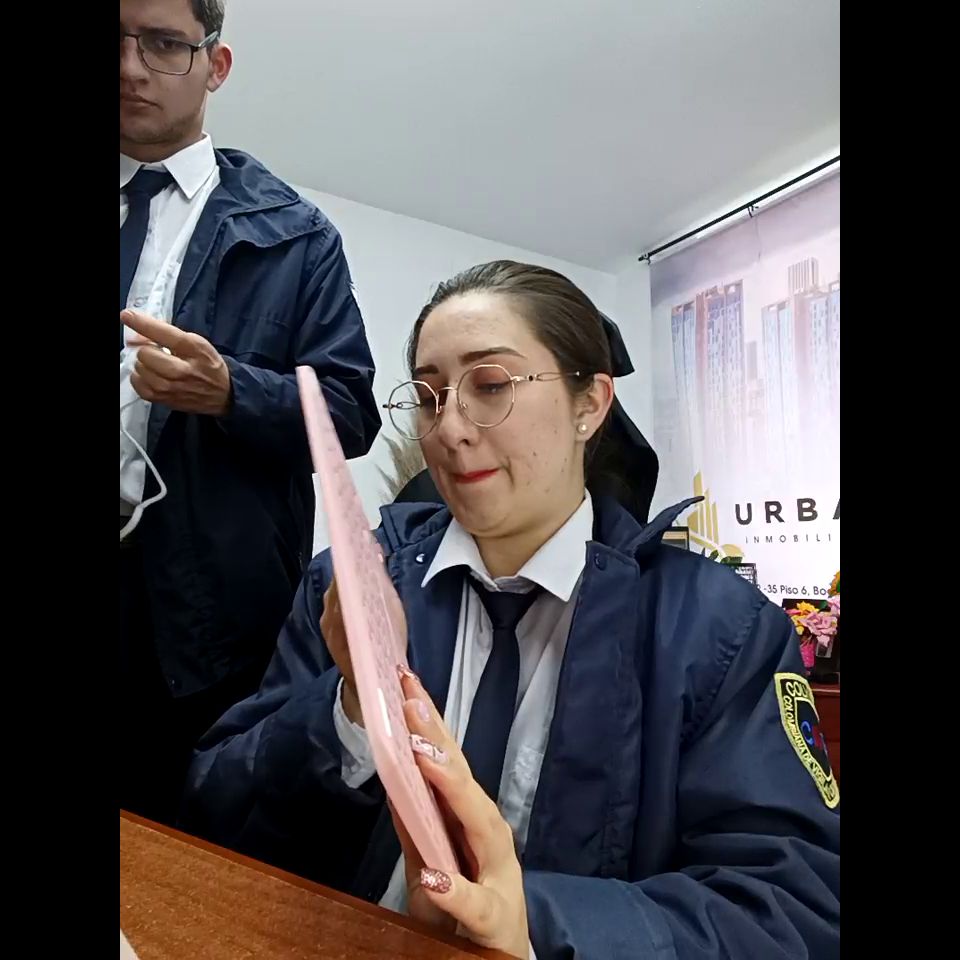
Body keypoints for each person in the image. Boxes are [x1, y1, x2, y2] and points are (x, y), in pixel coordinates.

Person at [182, 261, 840, 959]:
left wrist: (535, 921)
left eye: (491, 385)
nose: (449, 429)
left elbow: (792, 907)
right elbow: (215, 807)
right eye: (429, 396)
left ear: (591, 404)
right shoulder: (350, 585)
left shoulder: (719, 628)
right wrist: (350, 709)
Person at [119, 0, 380, 825]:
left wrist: (233, 390)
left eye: (163, 44)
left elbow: (350, 412)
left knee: (192, 859)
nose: (130, 67)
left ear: (215, 65)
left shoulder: (297, 235)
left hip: (208, 632)